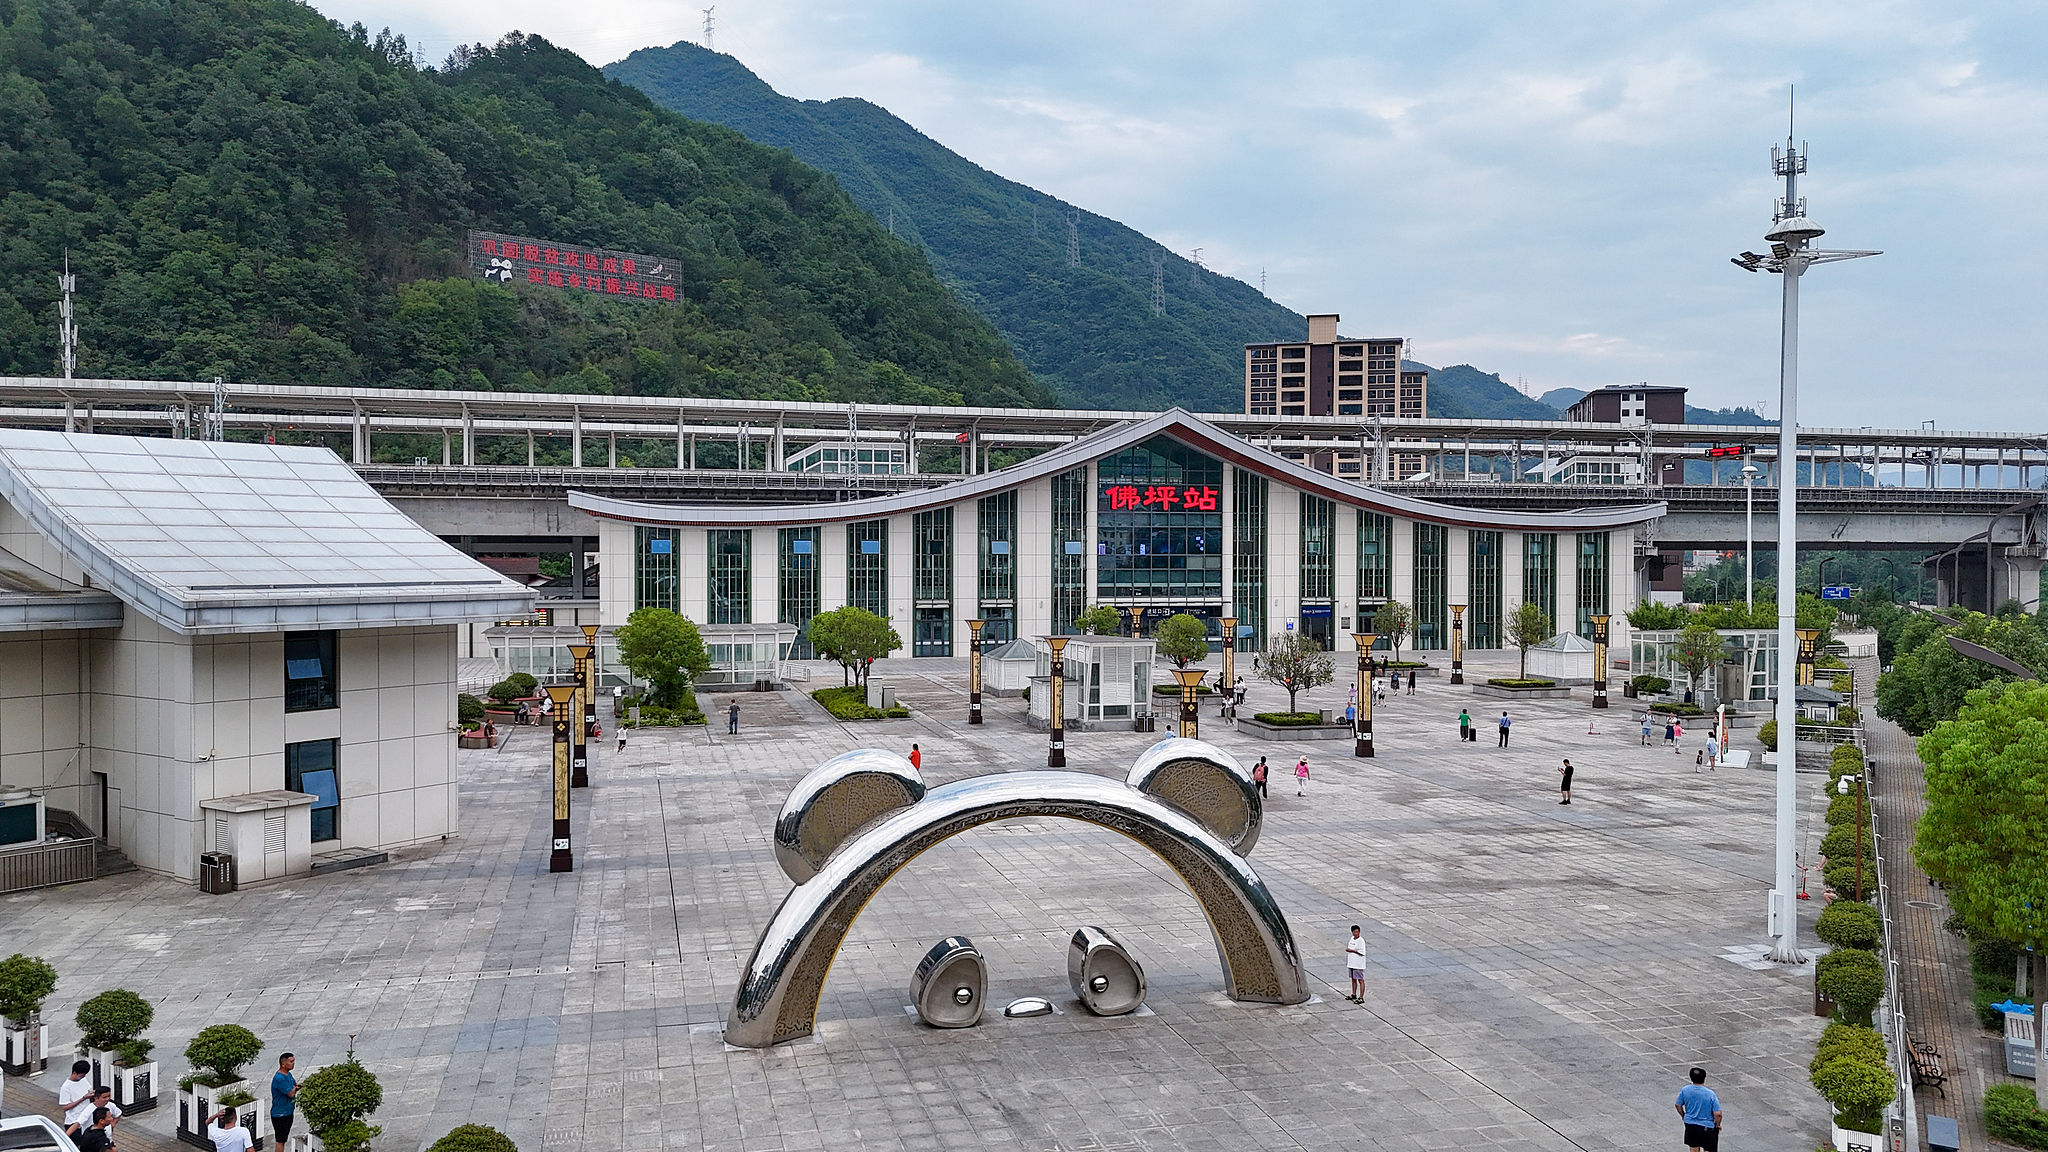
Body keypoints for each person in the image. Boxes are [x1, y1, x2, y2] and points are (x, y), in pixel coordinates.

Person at [1674, 1066, 1723, 1151]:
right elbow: (1718, 1114)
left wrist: (1683, 1115)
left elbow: (1678, 1105)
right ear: (1704, 1078)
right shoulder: (1710, 1094)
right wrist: (1717, 1124)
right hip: (1707, 1126)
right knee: (1709, 1148)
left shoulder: (1685, 1090)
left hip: (1690, 1124)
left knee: (1693, 1147)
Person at [270, 1053, 299, 1149]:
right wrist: (295, 1088)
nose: (293, 1063)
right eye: (291, 1061)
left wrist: (295, 1088)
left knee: (283, 1139)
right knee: (280, 1140)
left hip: (287, 1112)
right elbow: (290, 1093)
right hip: (280, 1114)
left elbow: (294, 1086)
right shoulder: (279, 1078)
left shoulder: (288, 1075)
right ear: (283, 1064)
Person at [58, 1060, 93, 1134]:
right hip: (73, 1120)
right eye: (81, 1075)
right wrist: (83, 1098)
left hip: (87, 1119)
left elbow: (87, 1091)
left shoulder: (83, 1080)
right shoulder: (66, 1087)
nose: (83, 1077)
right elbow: (65, 1107)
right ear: (74, 1073)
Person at [1344, 925, 1368, 1004]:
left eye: (1357, 932)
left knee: (1360, 980)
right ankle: (1354, 994)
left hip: (1358, 964)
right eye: (1354, 932)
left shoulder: (1361, 941)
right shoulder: (1351, 939)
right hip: (1351, 963)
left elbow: (1362, 952)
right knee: (1353, 979)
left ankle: (1361, 997)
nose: (1356, 933)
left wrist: (1352, 950)